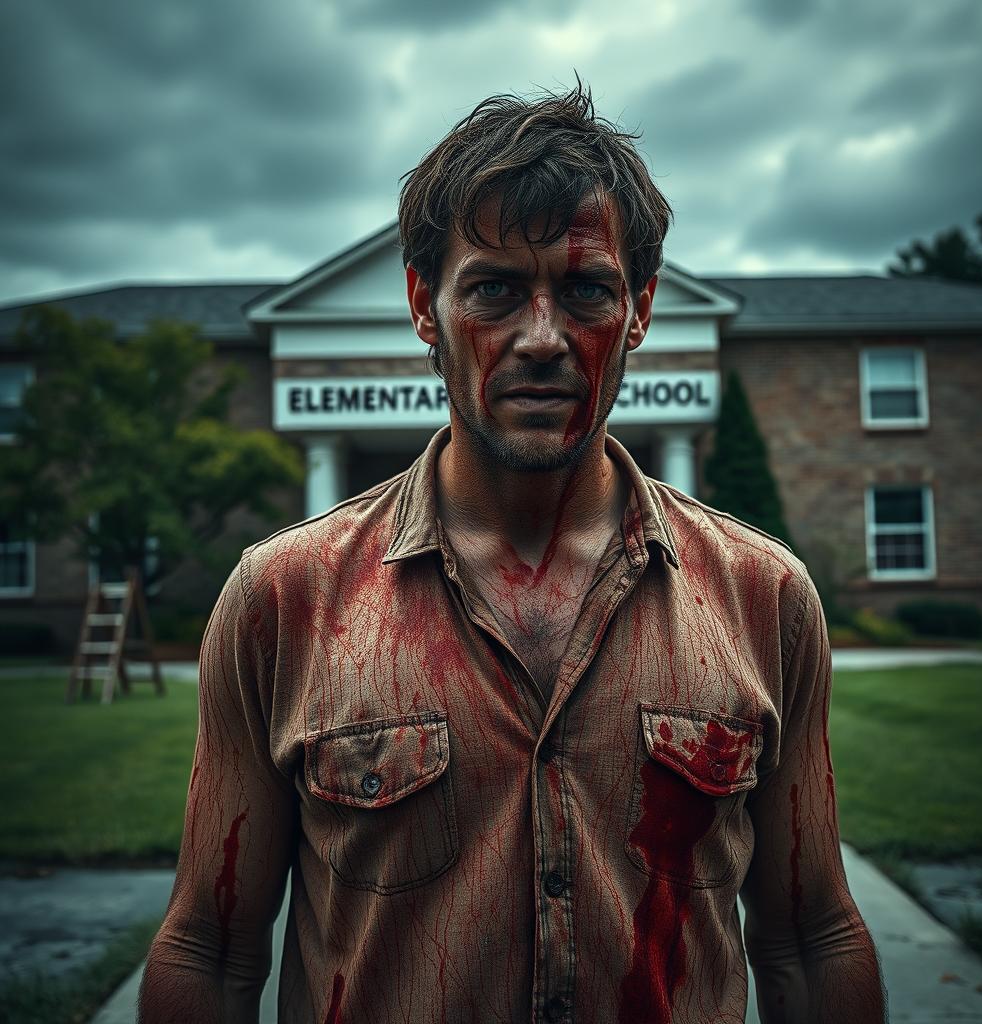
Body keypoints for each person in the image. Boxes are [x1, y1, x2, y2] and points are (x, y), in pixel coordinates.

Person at [139, 81, 887, 1023]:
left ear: (643, 307)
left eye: (585, 290)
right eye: (493, 288)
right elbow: (206, 948)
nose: (542, 338)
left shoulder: (762, 596)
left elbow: (813, 938)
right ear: (424, 303)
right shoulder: (283, 598)